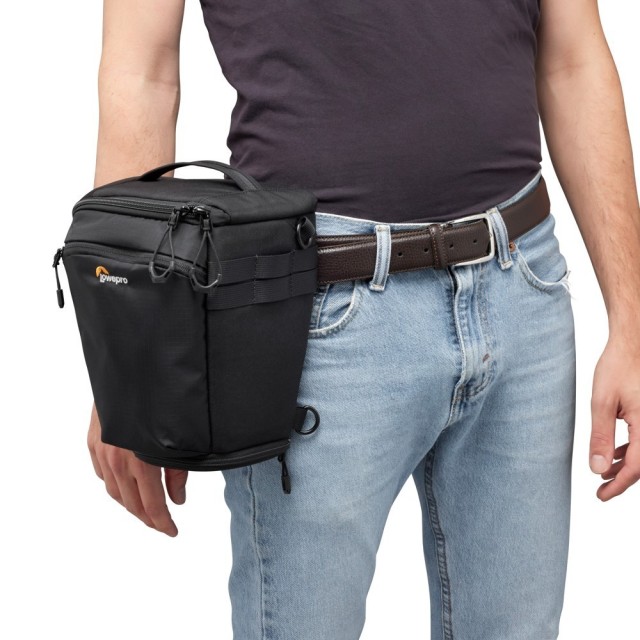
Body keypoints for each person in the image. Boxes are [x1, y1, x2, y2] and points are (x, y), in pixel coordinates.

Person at [87, 1, 640, 638]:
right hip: (316, 309)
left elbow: (574, 58)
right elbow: (144, 73)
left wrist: (631, 325)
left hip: (521, 282)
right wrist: (128, 367)